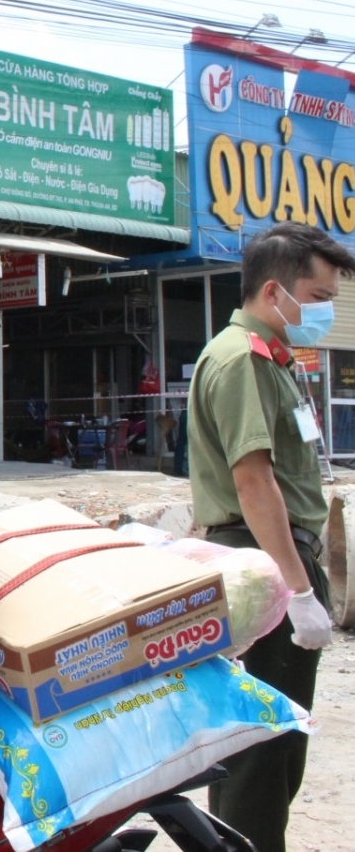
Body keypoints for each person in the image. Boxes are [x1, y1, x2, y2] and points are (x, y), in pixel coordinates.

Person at [188, 221, 349, 852]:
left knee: (278, 744)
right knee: (261, 744)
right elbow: (254, 484)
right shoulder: (240, 360)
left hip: (273, 555)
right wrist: (298, 589)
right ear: (275, 291)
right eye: (318, 298)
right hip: (260, 561)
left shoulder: (274, 358)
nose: (326, 312)